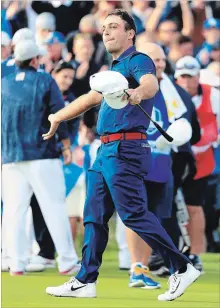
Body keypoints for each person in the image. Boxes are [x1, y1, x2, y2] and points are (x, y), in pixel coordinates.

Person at [44, 10, 200, 301]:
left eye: (114, 26)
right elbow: (90, 98)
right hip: (106, 150)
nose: (106, 31)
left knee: (133, 214)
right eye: (104, 27)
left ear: (130, 33)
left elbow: (150, 84)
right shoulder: (112, 69)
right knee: (94, 215)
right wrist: (57, 117)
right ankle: (85, 280)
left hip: (126, 148)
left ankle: (181, 267)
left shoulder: (138, 59)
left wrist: (139, 93)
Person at [1, 40, 80, 276]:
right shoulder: (45, 80)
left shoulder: (3, 83)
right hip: (42, 154)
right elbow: (58, 114)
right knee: (54, 207)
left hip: (11, 156)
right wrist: (66, 145)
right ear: (35, 60)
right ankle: (66, 261)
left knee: (14, 211)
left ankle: (16, 262)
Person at [175, 56, 219, 271]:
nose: (186, 81)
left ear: (198, 77)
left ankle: (196, 255)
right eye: (182, 76)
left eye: (190, 77)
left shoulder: (213, 95)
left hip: (201, 160)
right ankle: (167, 254)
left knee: (195, 208)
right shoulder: (168, 93)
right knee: (165, 208)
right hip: (173, 158)